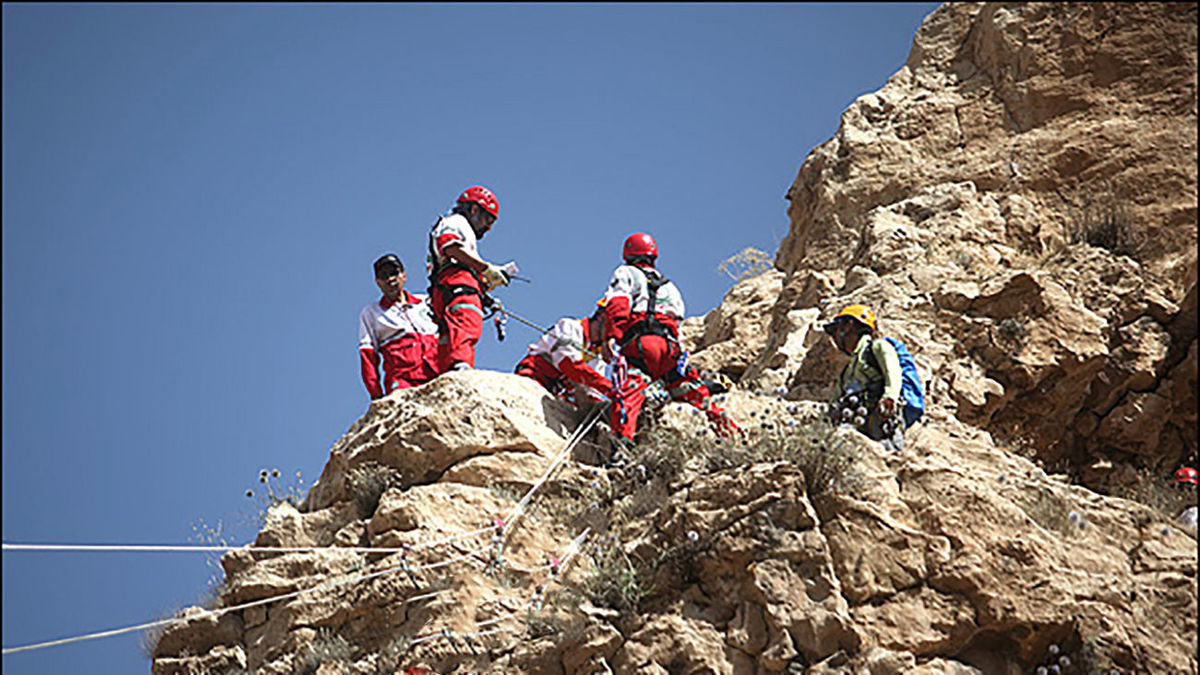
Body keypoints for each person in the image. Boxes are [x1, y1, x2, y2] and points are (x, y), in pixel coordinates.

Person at [600, 232, 738, 442]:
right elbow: (677, 325)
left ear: (627, 256)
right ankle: (732, 434)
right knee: (694, 391)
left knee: (628, 391)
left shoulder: (625, 273)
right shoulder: (671, 287)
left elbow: (618, 304)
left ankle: (621, 449)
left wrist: (611, 337)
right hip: (670, 348)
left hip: (641, 344)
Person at [426, 185, 514, 373]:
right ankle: (461, 365)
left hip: (444, 287)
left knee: (448, 333)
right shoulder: (457, 222)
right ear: (474, 209)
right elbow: (449, 246)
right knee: (466, 318)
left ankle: (447, 370)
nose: (489, 227)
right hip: (457, 282)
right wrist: (486, 268)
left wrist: (487, 296)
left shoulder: (456, 226)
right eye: (488, 219)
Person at [822, 304, 906, 452]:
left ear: (848, 325)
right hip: (855, 429)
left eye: (835, 330)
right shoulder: (847, 371)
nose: (834, 338)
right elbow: (835, 403)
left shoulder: (878, 347)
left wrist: (889, 399)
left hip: (880, 427)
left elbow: (893, 375)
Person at [358, 254, 439, 399]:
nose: (390, 279)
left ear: (404, 275)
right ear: (378, 282)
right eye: (384, 276)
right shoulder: (371, 313)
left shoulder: (425, 302)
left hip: (436, 372)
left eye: (394, 273)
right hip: (403, 381)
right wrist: (376, 394)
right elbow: (368, 357)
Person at [514, 301, 612, 405]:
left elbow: (592, 395)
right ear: (602, 317)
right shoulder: (570, 326)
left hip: (554, 393)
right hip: (533, 377)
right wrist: (610, 388)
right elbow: (568, 364)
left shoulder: (597, 356)